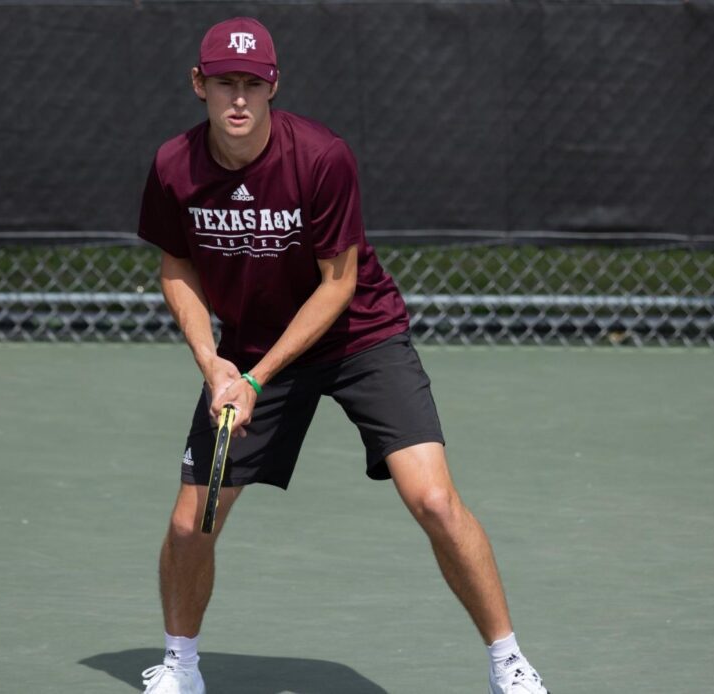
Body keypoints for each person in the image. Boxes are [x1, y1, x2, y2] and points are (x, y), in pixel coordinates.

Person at [135, 17, 550, 694]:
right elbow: (176, 264)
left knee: (436, 501)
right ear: (198, 85)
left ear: (273, 87)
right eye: (223, 84)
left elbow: (338, 286)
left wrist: (257, 381)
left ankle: (508, 662)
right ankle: (180, 665)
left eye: (251, 84)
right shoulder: (174, 166)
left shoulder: (321, 157)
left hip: (361, 336)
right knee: (192, 521)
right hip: (247, 345)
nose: (237, 99)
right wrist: (214, 364)